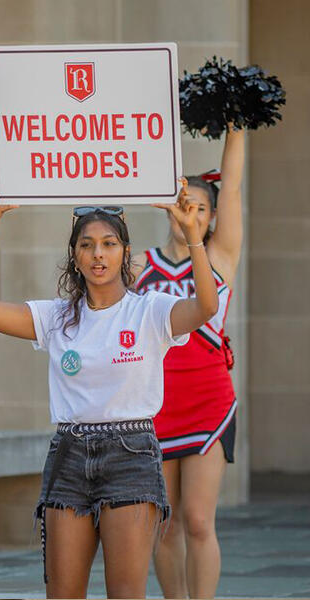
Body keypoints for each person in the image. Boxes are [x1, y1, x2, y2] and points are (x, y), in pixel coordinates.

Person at [0, 180, 218, 599]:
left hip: (131, 454)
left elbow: (206, 307)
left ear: (125, 252)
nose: (98, 253)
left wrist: (193, 236)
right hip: (69, 454)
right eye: (87, 245)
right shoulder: (56, 317)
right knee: (62, 593)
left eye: (109, 243)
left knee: (125, 592)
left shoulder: (149, 310)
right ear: (75, 256)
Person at [132, 127, 244, 599]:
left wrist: (236, 127)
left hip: (208, 401)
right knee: (166, 523)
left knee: (199, 520)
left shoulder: (219, 256)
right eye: (183, 205)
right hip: (155, 404)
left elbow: (234, 185)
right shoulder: (139, 265)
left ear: (213, 216)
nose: (189, 214)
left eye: (200, 207)